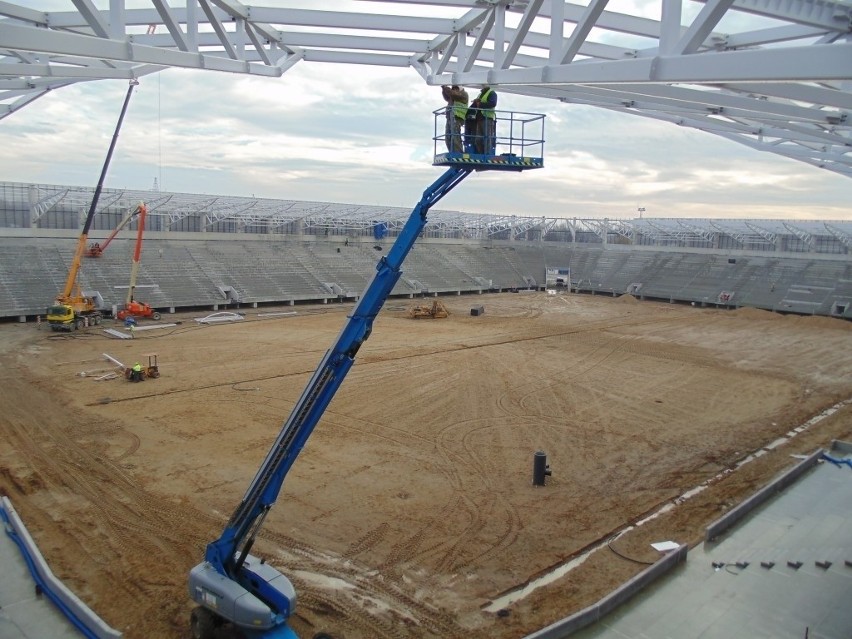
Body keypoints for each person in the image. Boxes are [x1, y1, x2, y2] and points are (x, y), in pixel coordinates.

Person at [441, 84, 469, 153]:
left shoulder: (463, 94)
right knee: (448, 137)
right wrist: (443, 89)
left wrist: (446, 88)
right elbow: (447, 97)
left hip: (457, 117)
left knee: (455, 136)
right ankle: (452, 152)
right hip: (450, 116)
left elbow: (453, 94)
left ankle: (458, 152)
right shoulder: (453, 95)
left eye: (455, 89)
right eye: (453, 89)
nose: (453, 90)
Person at [475, 85, 498, 154]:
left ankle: (487, 154)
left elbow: (493, 103)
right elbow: (477, 104)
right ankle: (481, 154)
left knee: (487, 138)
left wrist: (480, 104)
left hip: (487, 117)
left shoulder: (492, 93)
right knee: (478, 139)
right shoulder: (480, 94)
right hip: (479, 118)